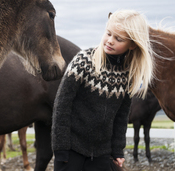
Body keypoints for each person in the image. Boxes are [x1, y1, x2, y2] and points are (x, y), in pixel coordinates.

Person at [51, 10, 155, 171]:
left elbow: (121, 117)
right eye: (108, 33)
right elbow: (62, 105)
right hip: (71, 151)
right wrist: (61, 148)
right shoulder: (83, 61)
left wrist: (117, 150)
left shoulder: (128, 75)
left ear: (132, 44)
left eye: (118, 38)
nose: (110, 41)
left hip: (102, 154)